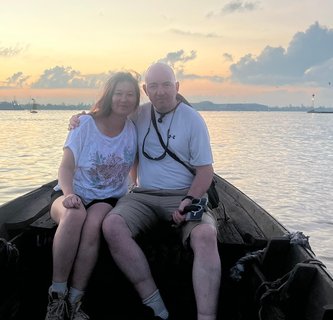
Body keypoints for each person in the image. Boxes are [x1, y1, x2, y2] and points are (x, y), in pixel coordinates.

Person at [70, 63, 221, 320]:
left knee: (205, 235)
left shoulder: (193, 119)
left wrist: (188, 200)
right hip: (144, 195)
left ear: (177, 87)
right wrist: (83, 117)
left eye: (166, 85)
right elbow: (107, 118)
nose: (160, 92)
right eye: (154, 86)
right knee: (112, 225)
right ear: (145, 90)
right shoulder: (138, 114)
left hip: (185, 193)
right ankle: (156, 306)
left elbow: (205, 173)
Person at [45, 71, 140, 320]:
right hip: (71, 191)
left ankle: (75, 300)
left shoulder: (133, 128)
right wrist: (69, 194)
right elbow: (65, 167)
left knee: (93, 223)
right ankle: (57, 298)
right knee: (75, 216)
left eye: (130, 94)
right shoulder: (84, 124)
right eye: (119, 93)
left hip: (107, 198)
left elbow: (136, 167)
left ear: (136, 99)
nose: (124, 99)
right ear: (109, 96)